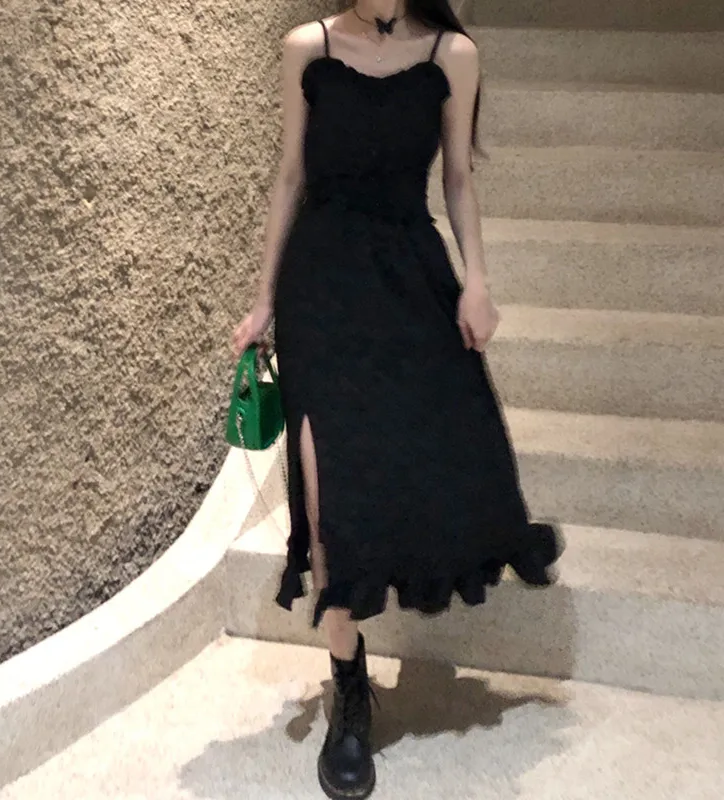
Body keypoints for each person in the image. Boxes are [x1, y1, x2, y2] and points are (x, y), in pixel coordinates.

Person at [230, 2, 564, 798]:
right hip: (320, 282)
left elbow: (458, 179)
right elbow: (290, 176)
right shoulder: (306, 47)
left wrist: (478, 282)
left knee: (446, 432)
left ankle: (482, 536)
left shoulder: (453, 55)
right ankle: (348, 687)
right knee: (324, 490)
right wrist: (264, 300)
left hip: (409, 273)